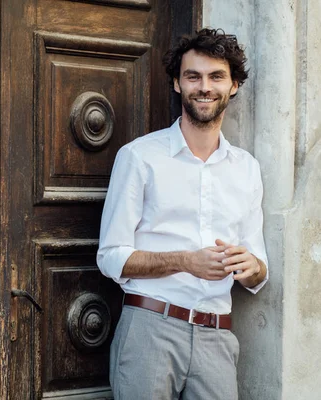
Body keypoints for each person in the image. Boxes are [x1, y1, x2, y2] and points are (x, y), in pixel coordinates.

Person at [97, 28, 269, 400]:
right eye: (193, 76)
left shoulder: (247, 168)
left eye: (216, 76)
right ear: (177, 84)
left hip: (218, 339)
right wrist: (187, 261)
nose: (204, 87)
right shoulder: (140, 157)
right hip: (150, 329)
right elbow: (111, 257)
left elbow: (259, 270)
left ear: (233, 85)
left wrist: (252, 265)